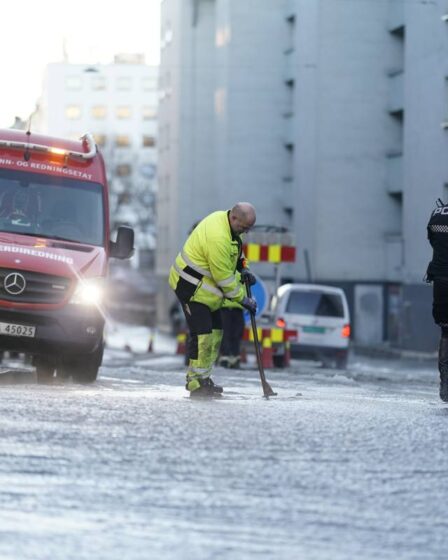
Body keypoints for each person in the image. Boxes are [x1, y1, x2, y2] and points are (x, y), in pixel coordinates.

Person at [169, 202, 258, 397]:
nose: (245, 233)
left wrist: (244, 267)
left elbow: (236, 253)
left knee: (216, 332)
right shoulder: (218, 237)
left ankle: (204, 378)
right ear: (234, 218)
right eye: (244, 228)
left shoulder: (230, 228)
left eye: (248, 229)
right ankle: (194, 382)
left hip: (207, 292)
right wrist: (244, 300)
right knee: (202, 335)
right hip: (190, 287)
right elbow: (223, 279)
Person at [426, 199, 448, 401]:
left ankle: (445, 383)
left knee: (445, 330)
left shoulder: (437, 213)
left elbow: (432, 240)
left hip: (441, 279)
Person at [218, 275, 246, 369]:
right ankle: (225, 358)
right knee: (225, 333)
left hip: (238, 307)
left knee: (237, 333)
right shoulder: (226, 268)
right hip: (224, 306)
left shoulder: (242, 269)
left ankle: (235, 357)